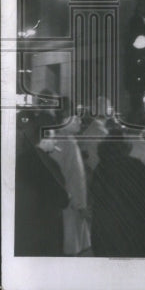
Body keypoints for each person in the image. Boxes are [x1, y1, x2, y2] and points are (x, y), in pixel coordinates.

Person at [89, 131, 145, 257]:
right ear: (125, 147)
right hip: (132, 224)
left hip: (106, 224)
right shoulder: (136, 165)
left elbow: (94, 191)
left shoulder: (101, 167)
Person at [15, 111, 69, 256]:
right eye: (53, 138)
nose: (56, 141)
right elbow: (62, 199)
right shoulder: (50, 164)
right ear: (44, 139)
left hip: (25, 229)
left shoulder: (21, 160)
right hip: (47, 230)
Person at [39, 108, 91, 255]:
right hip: (69, 205)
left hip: (53, 203)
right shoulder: (68, 143)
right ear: (64, 121)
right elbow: (77, 177)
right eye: (76, 118)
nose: (80, 121)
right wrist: (81, 205)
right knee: (69, 247)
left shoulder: (53, 139)